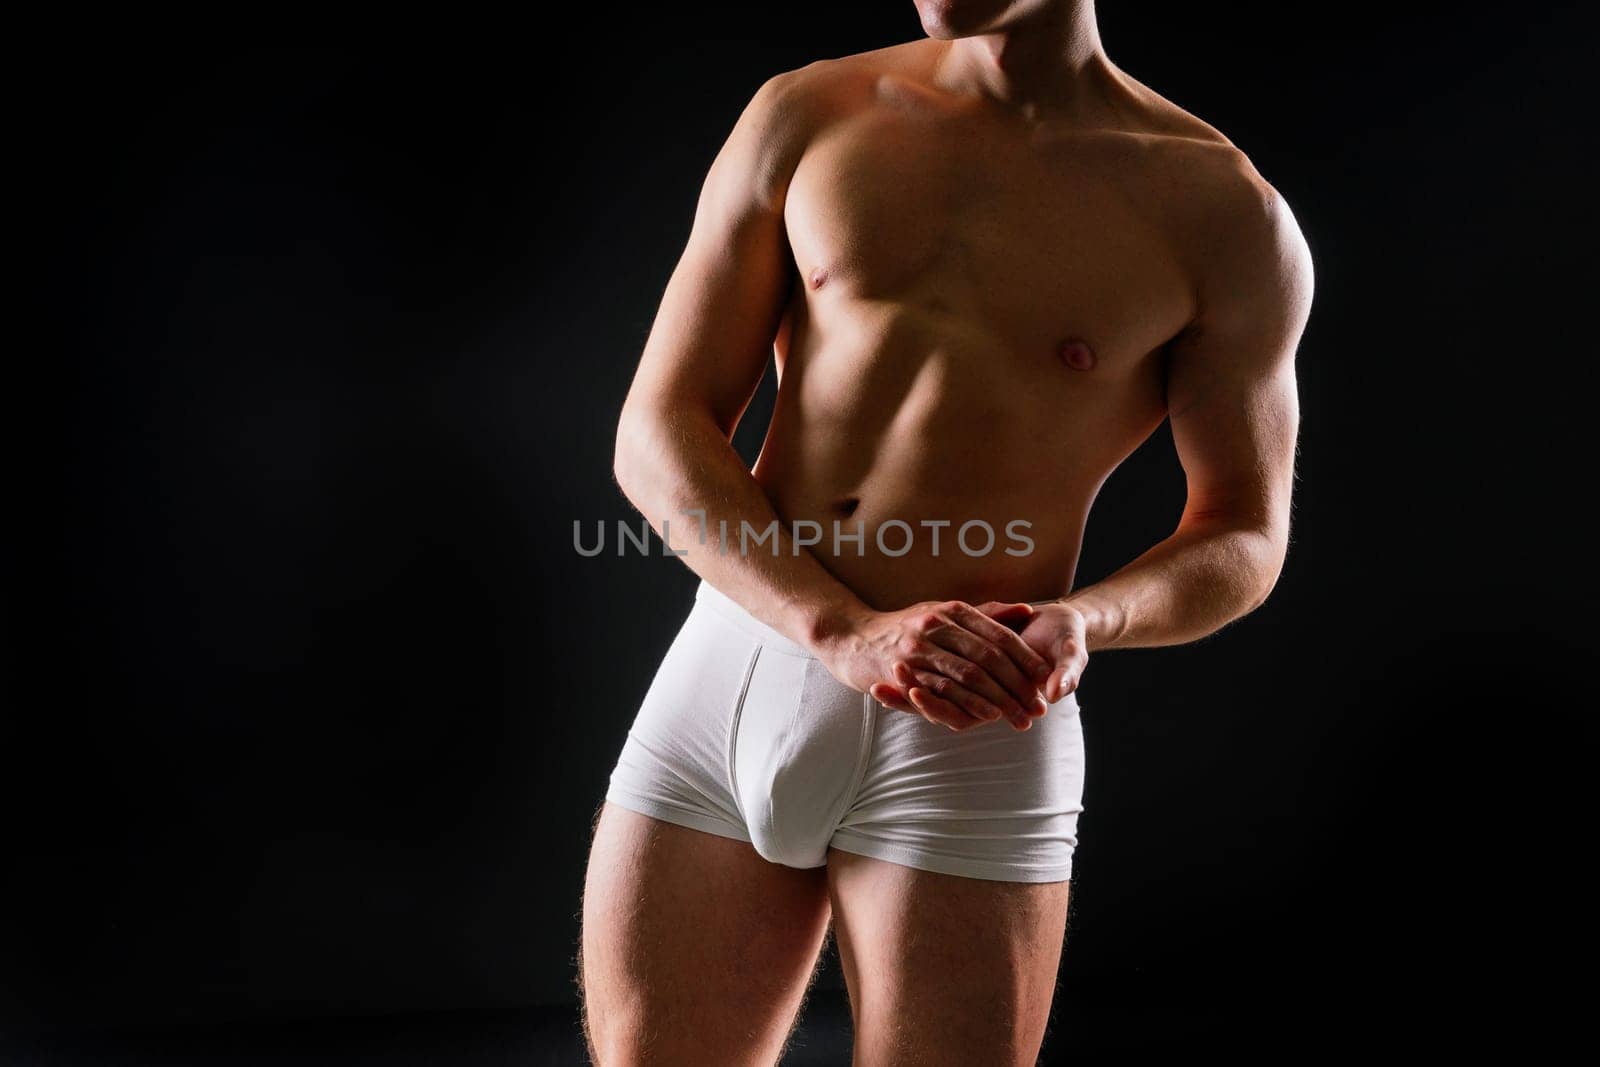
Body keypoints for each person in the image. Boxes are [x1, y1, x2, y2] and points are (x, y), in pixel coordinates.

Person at [579, 0, 1314, 1061]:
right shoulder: (808, 113)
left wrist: (1082, 620)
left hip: (977, 711)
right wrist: (837, 629)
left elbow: (1245, 531)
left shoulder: (1218, 209)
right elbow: (657, 428)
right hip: (740, 666)